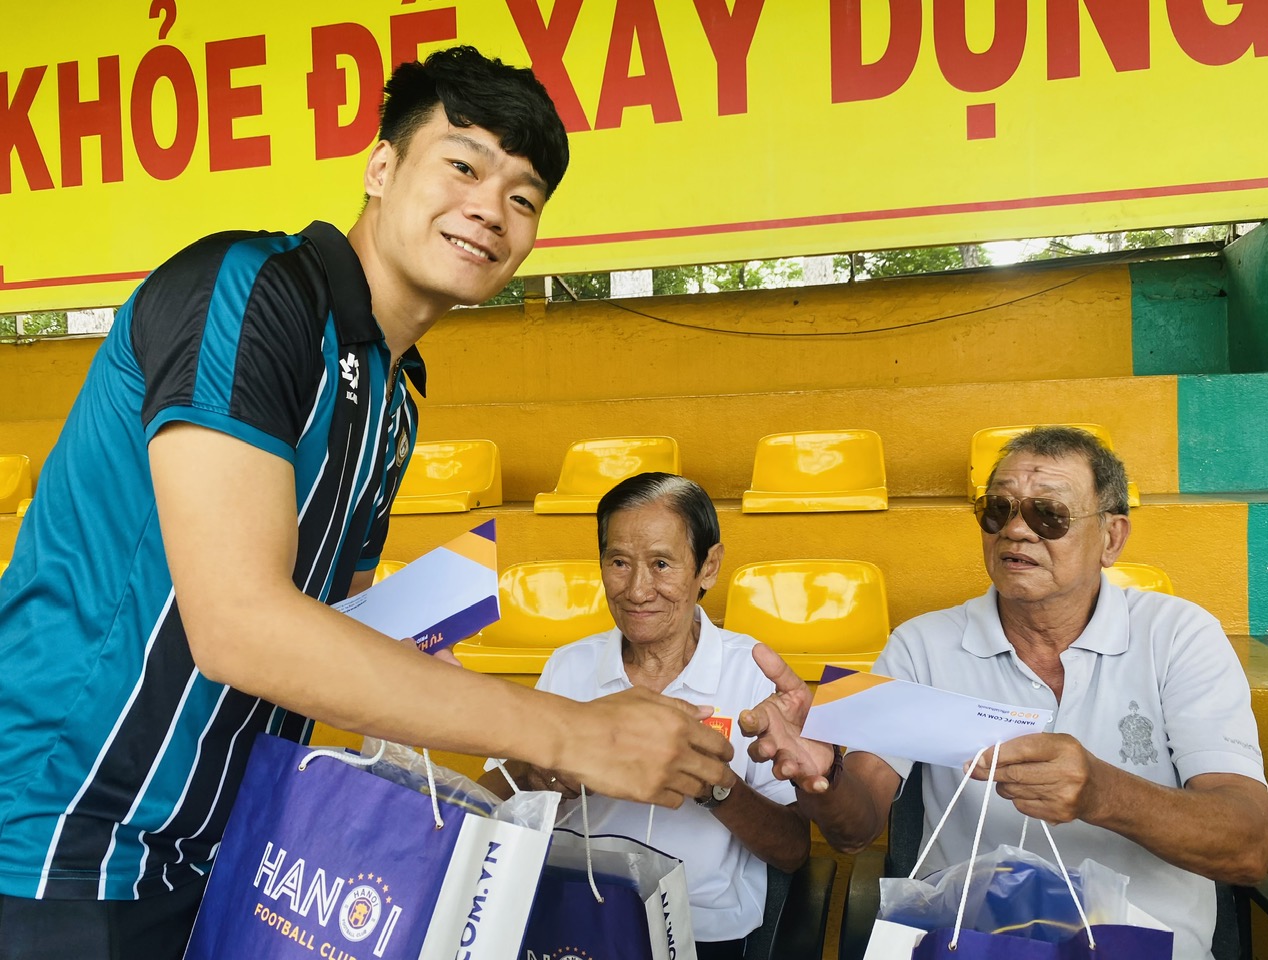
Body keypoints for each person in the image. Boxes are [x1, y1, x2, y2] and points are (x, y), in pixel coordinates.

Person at [0, 47, 730, 958]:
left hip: (225, 845)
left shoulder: (394, 394)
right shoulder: (255, 289)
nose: (489, 208)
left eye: (524, 197)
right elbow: (243, 625)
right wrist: (570, 730)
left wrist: (534, 742)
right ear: (381, 168)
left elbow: (338, 625)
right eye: (463, 164)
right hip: (58, 847)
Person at [741, 426, 1268, 960]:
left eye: (1049, 514)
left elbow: (1249, 846)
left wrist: (1101, 794)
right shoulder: (922, 644)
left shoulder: (1180, 636)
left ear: (1112, 538)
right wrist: (824, 776)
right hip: (968, 945)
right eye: (998, 510)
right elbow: (856, 831)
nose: (1016, 530)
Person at [484, 473, 809, 958]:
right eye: (619, 562)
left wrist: (713, 785)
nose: (637, 590)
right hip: (571, 916)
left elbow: (793, 849)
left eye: (661, 564)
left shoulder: (754, 675)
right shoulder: (569, 665)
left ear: (708, 566)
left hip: (702, 933)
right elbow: (490, 803)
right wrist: (543, 769)